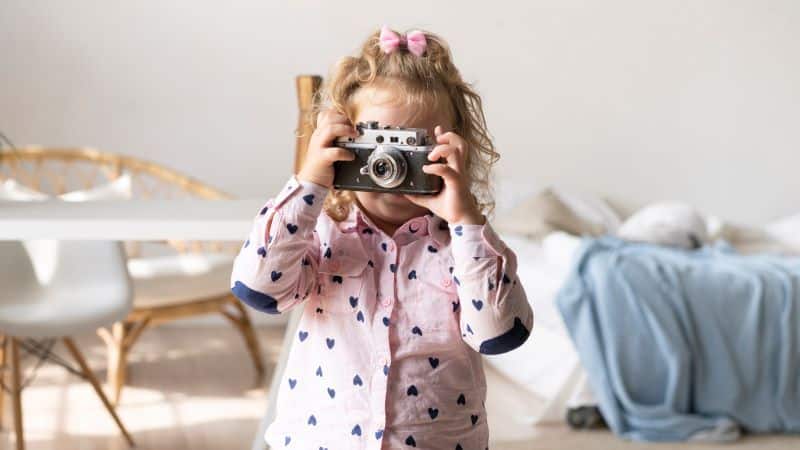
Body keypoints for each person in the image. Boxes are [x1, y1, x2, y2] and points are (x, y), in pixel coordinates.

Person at [231, 25, 533, 450]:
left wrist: (465, 220)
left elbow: (499, 334)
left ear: (453, 150)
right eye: (374, 143)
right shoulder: (319, 234)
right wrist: (310, 182)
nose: (388, 164)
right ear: (342, 141)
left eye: (412, 147)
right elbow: (257, 287)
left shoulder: (466, 247)